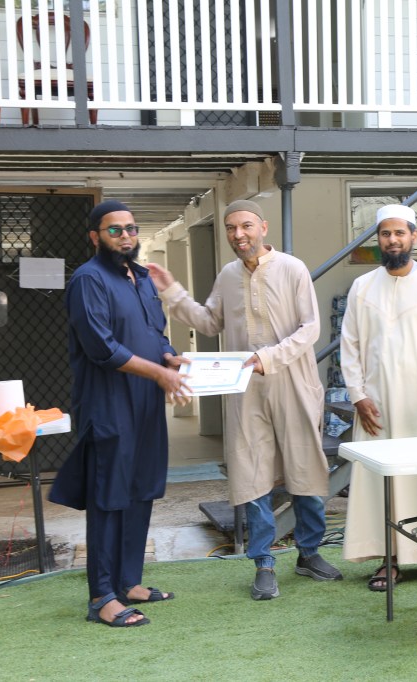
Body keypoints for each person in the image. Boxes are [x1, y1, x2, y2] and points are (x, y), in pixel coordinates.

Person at [146, 199, 341, 601]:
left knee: (304, 468)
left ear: (263, 228)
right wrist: (172, 290)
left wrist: (267, 358)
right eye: (231, 228)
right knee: (252, 474)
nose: (239, 234)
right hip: (245, 389)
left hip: (293, 382)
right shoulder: (228, 275)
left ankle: (309, 553)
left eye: (246, 226)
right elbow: (209, 321)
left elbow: (310, 329)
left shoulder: (292, 269)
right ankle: (263, 562)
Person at [50, 200, 192, 628]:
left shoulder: (142, 277)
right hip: (108, 403)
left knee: (141, 490)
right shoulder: (87, 280)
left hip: (146, 401)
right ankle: (102, 596)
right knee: (109, 497)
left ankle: (130, 582)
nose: (126, 236)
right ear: (95, 236)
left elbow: (154, 333)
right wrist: (160, 373)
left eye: (131, 228)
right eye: (115, 230)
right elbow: (102, 348)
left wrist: (170, 357)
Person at [340, 204, 417, 592]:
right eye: (385, 234)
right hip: (376, 408)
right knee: (382, 481)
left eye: (400, 233)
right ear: (378, 239)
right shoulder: (362, 287)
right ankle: (389, 558)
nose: (393, 240)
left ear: (414, 237)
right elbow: (350, 347)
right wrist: (358, 396)